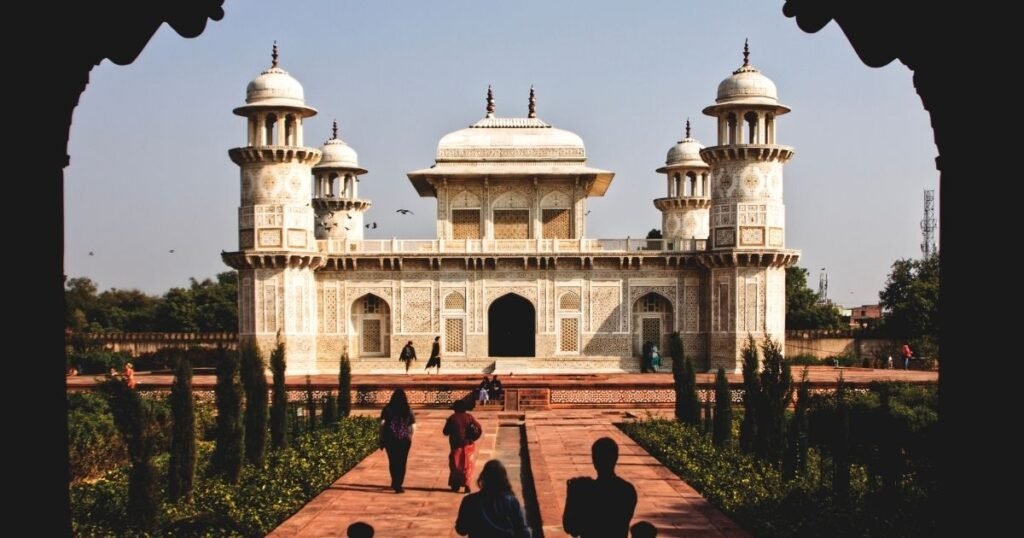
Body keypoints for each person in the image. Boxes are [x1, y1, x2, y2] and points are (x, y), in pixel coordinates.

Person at [562, 437, 638, 538]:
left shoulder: (584, 491)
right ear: (616, 458)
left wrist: (573, 495)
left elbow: (571, 528)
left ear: (594, 460)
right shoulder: (627, 490)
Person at [455, 459, 532, 538]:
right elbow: (523, 532)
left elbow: (461, 529)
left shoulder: (470, 501)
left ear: (483, 478)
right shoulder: (512, 502)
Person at [443, 399, 483, 493]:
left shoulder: (452, 418)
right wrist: (473, 437)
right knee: (468, 465)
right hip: (468, 444)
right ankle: (467, 484)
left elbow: (445, 432)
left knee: (456, 465)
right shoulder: (469, 417)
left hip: (456, 445)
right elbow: (479, 428)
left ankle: (455, 484)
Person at [379, 389, 415, 493]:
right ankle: (399, 483)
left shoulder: (387, 409)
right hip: (404, 440)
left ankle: (395, 481)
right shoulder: (408, 409)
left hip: (390, 439)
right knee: (402, 462)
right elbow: (412, 426)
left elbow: (382, 424)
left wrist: (381, 438)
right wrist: (410, 437)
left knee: (393, 461)